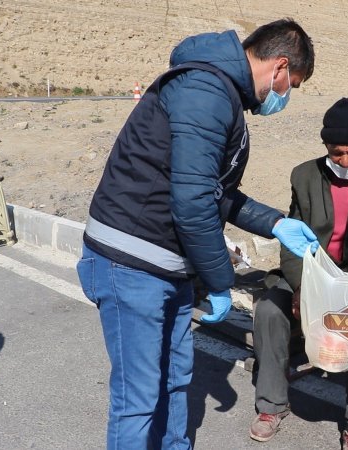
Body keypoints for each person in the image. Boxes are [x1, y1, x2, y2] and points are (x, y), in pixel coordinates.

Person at [76, 19, 319, 450]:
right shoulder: (204, 92)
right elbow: (192, 203)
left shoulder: (221, 94)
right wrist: (221, 281)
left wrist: (275, 223)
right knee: (138, 397)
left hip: (166, 262)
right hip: (132, 262)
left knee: (175, 378)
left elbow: (213, 190)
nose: (285, 96)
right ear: (280, 67)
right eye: (292, 85)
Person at [250, 98, 348, 450]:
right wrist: (303, 288)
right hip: (312, 274)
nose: (347, 161)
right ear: (325, 146)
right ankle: (272, 405)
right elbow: (293, 242)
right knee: (268, 311)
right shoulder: (304, 176)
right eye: (337, 153)